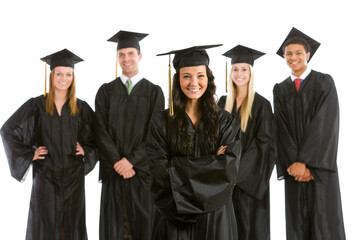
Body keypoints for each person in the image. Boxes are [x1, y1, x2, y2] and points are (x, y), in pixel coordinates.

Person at [146, 45, 241, 240]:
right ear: (177, 79)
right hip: (174, 218)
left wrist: (177, 167)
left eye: (200, 75)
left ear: (208, 78)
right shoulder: (161, 121)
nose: (194, 83)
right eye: (186, 76)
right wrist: (212, 162)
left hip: (215, 218)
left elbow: (228, 171)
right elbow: (158, 172)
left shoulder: (225, 121)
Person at [1, 49, 98, 240]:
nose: (64, 78)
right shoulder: (36, 105)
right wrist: (30, 154)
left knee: (71, 226)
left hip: (73, 180)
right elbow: (8, 130)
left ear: (73, 77)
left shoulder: (82, 108)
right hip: (45, 178)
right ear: (51, 75)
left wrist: (86, 150)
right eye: (59, 74)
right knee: (45, 226)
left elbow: (98, 137)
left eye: (68, 74)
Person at [273, 27, 346, 240]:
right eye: (288, 53)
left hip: (319, 169)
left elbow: (326, 124)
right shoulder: (280, 89)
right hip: (294, 169)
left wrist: (306, 163)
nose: (292, 57)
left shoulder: (324, 82)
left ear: (308, 55)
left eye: (297, 53)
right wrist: (294, 164)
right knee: (297, 224)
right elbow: (281, 129)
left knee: (324, 223)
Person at [95, 30, 165, 240]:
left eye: (131, 54)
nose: (126, 59)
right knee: (114, 228)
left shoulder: (154, 92)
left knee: (144, 227)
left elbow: (156, 134)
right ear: (117, 57)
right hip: (114, 173)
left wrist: (132, 161)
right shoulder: (105, 91)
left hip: (141, 174)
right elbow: (100, 130)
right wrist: (118, 162)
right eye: (122, 54)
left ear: (140, 56)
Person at [218, 45, 275, 240]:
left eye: (244, 69)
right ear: (230, 71)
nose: (239, 74)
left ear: (251, 73)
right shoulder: (222, 104)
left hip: (249, 186)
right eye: (235, 69)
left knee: (251, 231)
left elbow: (264, 146)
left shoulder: (262, 105)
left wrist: (235, 175)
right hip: (224, 186)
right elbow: (214, 142)